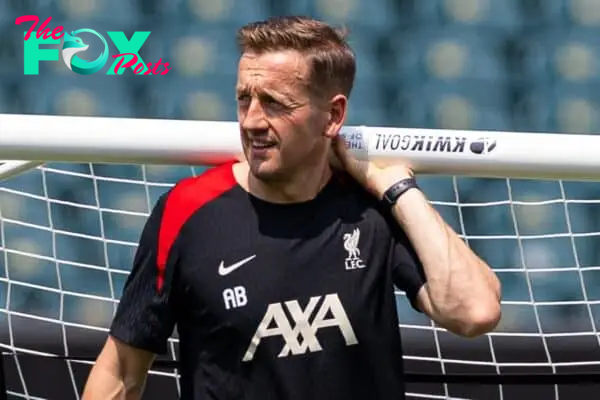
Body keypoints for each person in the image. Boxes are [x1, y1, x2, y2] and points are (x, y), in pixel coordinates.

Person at [82, 15, 501, 400]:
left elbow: (474, 311)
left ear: (333, 116)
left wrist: (398, 190)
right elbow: (121, 371)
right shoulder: (186, 210)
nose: (251, 121)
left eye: (275, 103)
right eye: (244, 98)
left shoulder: (370, 211)